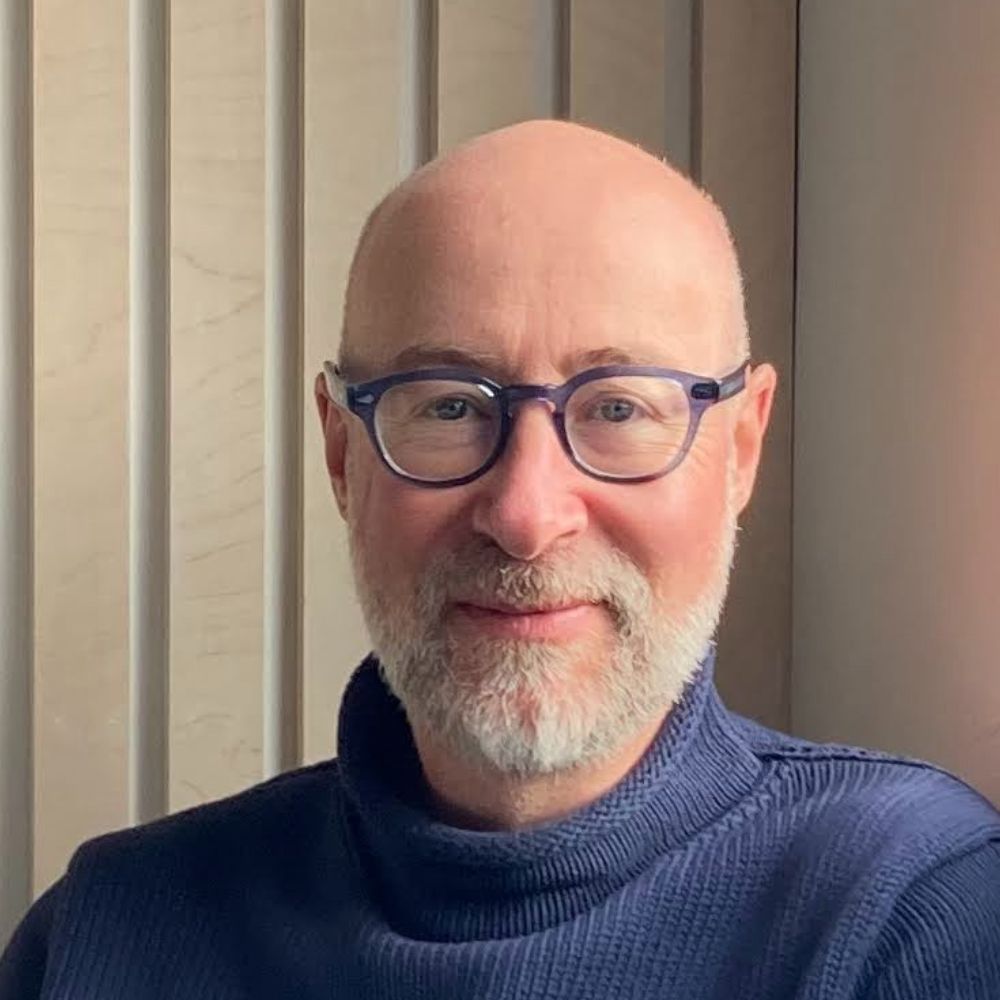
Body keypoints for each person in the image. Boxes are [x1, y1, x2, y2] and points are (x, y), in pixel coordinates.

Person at [2, 118, 999, 999]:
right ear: (343, 456)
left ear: (739, 449)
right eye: (447, 406)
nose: (525, 516)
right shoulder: (104, 935)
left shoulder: (915, 911)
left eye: (618, 408)